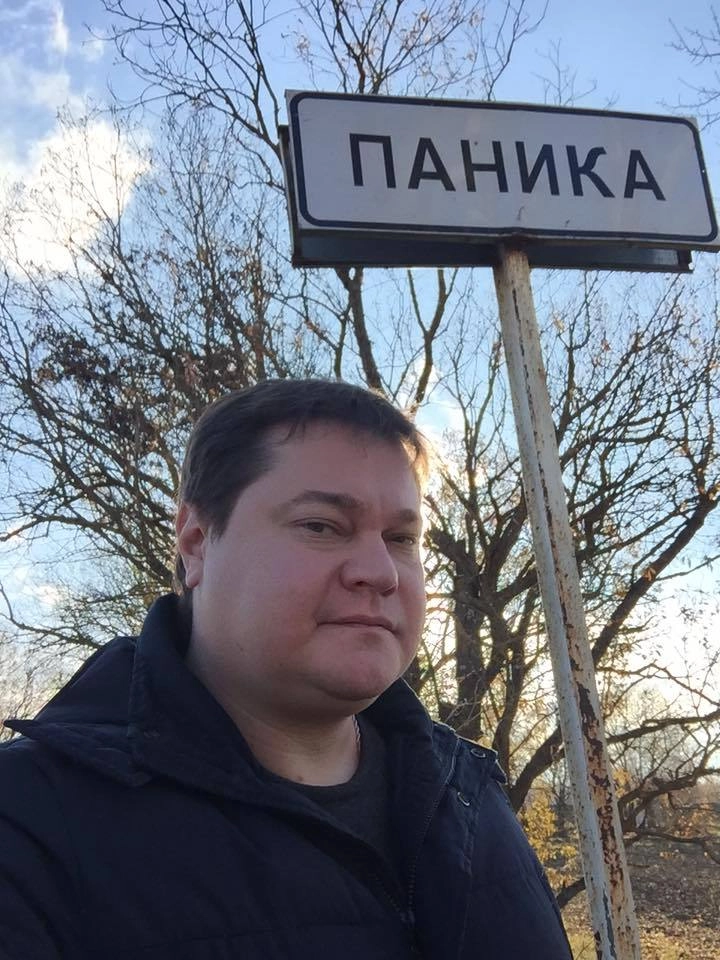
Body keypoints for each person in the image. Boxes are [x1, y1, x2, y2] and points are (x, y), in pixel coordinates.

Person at [0, 379, 572, 960]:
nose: (380, 572)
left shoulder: (470, 793)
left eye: (401, 538)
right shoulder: (27, 822)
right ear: (196, 543)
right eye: (321, 526)